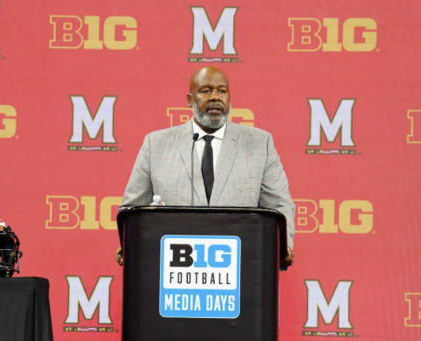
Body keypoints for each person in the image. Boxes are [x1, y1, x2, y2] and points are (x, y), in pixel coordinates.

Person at [117, 66, 295, 267]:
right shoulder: (156, 144)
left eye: (222, 91)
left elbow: (279, 205)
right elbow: (132, 208)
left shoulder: (259, 143)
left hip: (241, 267)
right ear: (189, 99)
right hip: (175, 270)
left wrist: (283, 246)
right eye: (205, 91)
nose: (215, 97)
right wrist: (129, 241)